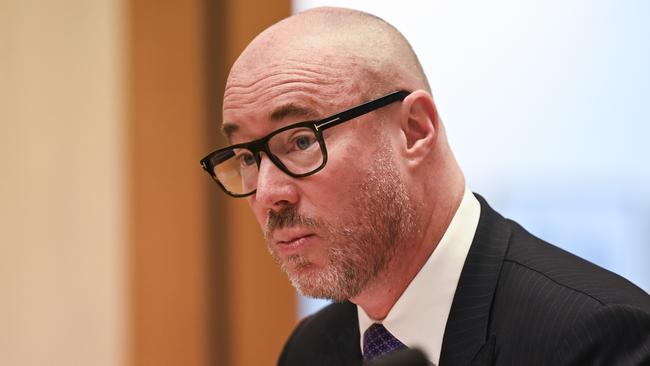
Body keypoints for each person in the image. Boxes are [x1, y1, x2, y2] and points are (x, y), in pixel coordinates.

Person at [200, 6, 650, 366]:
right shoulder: (310, 350)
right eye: (246, 158)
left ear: (414, 130)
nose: (267, 194)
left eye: (300, 140)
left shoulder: (596, 337)